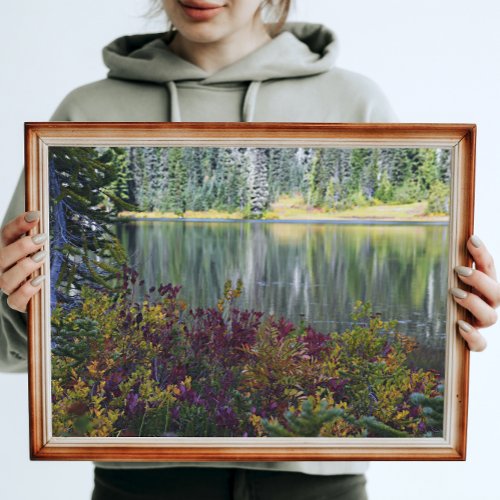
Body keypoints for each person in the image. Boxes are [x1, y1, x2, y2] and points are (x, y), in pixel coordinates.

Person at [0, 1, 498, 498]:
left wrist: (457, 324)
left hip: (316, 486)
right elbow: (11, 348)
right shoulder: (84, 113)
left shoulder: (353, 100)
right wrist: (20, 306)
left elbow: (437, 321)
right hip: (139, 485)